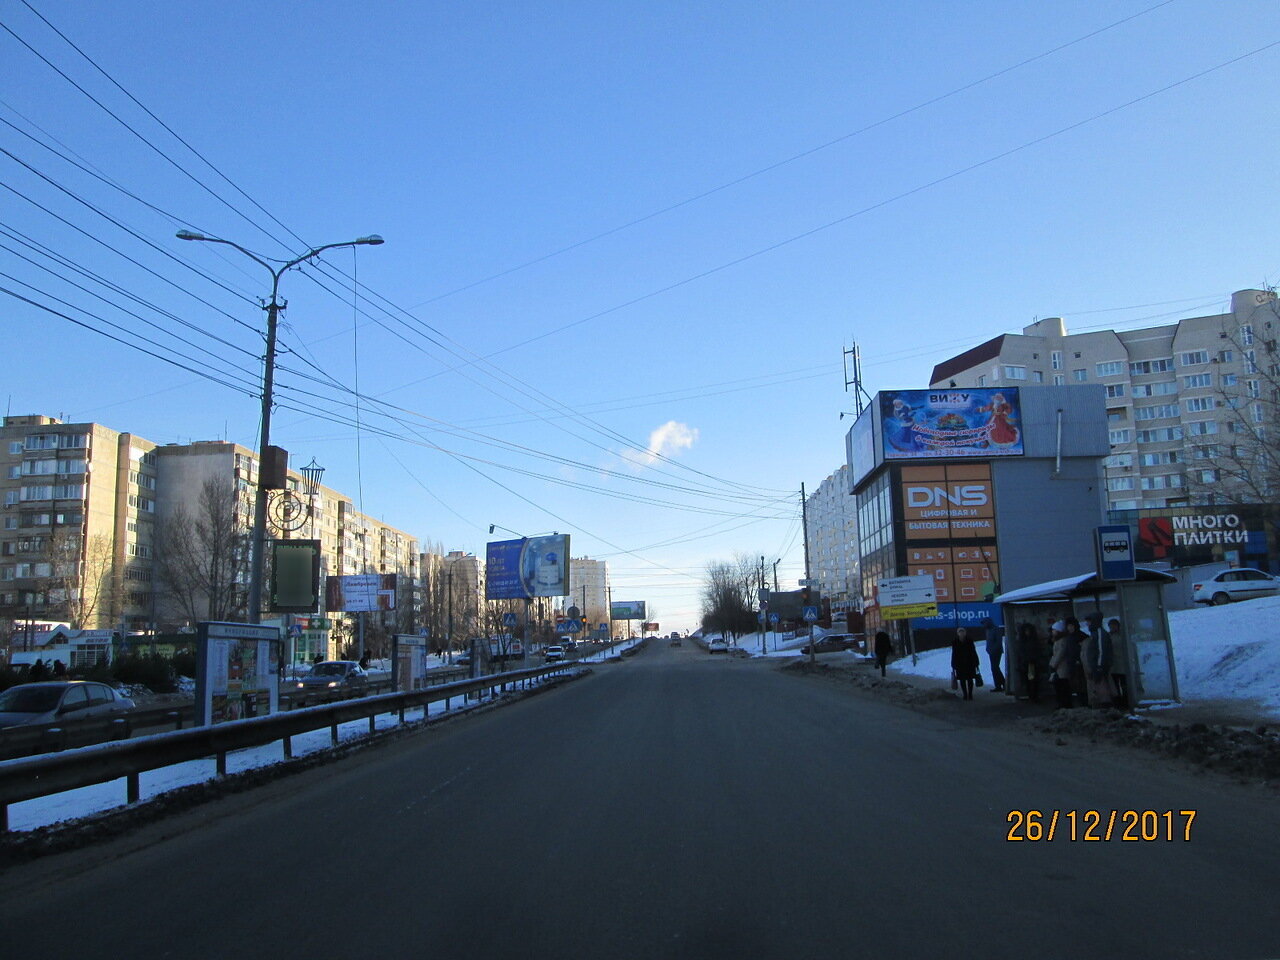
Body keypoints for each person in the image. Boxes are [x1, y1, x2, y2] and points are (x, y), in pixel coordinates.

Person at [1049, 617, 1082, 709]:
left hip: (1061, 668)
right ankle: (1063, 704)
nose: (1052, 632)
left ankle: (1064, 704)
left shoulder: (1062, 641)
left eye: (1054, 630)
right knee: (1061, 687)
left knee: (1063, 688)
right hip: (1060, 668)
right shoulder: (1060, 640)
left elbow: (1059, 654)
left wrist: (1052, 664)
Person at [951, 626, 980, 701]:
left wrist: (976, 662)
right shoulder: (955, 642)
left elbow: (973, 652)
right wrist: (953, 664)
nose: (961, 634)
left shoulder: (969, 641)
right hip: (959, 664)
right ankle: (965, 694)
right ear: (958, 633)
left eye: (963, 632)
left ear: (965, 633)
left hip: (970, 663)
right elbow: (954, 653)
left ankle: (970, 694)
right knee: (962, 680)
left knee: (970, 679)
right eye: (960, 632)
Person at [1016, 622, 1042, 702]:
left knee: (1033, 680)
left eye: (1028, 631)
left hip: (1031, 663)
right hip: (1027, 663)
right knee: (1029, 680)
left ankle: (1033, 695)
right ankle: (1031, 695)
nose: (1027, 632)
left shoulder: (1029, 640)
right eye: (1026, 631)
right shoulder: (1025, 641)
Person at [1106, 617, 1130, 708]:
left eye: (1114, 626)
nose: (1112, 628)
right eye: (1111, 626)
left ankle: (1125, 702)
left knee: (1124, 685)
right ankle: (1119, 702)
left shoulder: (1122, 636)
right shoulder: (1109, 636)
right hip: (1113, 665)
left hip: (1121, 664)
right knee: (1115, 685)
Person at [982, 617, 1005, 692]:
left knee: (995, 668)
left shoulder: (996, 629)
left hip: (996, 652)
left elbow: (998, 642)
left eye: (985, 623)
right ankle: (1001, 684)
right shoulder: (988, 630)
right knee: (995, 668)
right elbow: (988, 641)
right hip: (991, 652)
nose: (984, 625)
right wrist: (988, 649)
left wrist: (992, 650)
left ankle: (1001, 684)